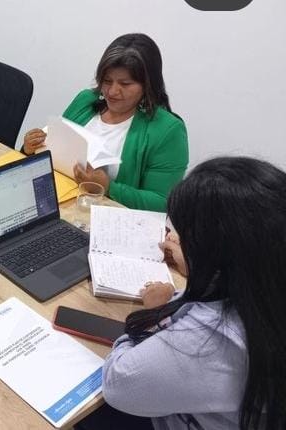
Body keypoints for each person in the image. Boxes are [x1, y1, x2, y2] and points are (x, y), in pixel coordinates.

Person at [81, 157, 285, 429]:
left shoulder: (209, 340)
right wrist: (197, 269)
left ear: (218, 254)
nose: (175, 238)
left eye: (186, 234)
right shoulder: (267, 286)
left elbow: (117, 384)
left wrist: (155, 313)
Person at [22, 34, 188, 212]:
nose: (112, 91)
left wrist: (108, 187)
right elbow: (56, 153)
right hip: (58, 202)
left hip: (107, 216)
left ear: (147, 86)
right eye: (107, 81)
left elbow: (162, 203)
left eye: (125, 84)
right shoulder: (85, 100)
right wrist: (30, 150)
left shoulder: (167, 130)